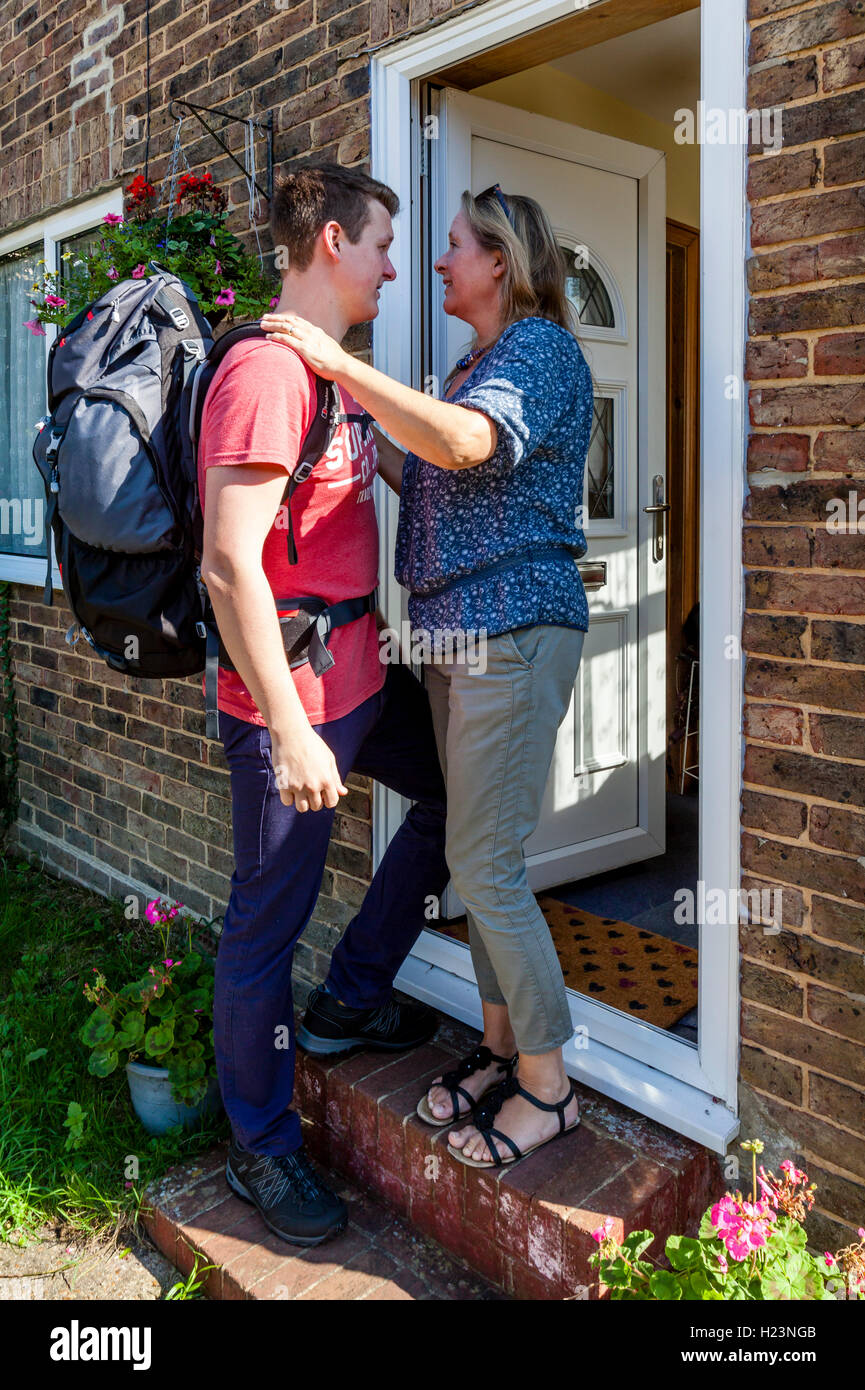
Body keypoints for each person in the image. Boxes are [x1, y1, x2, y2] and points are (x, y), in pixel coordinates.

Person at [261, 181, 594, 1171]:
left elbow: (462, 441)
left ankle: (548, 1088)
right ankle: (500, 1049)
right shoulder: (470, 362)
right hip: (452, 634)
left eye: (449, 246)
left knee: (486, 865)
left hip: (508, 630)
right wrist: (359, 436)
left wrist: (341, 369)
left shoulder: (537, 350)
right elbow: (439, 471)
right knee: (474, 855)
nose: (432, 263)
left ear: (499, 258)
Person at [199, 163, 450, 1246]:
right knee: (264, 925)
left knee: (453, 796)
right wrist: (291, 726)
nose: (396, 264)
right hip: (287, 709)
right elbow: (226, 565)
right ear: (335, 241)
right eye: (385, 244)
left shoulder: (332, 369)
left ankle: (351, 994)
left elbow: (371, 471)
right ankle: (260, 1147)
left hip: (359, 678)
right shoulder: (265, 373)